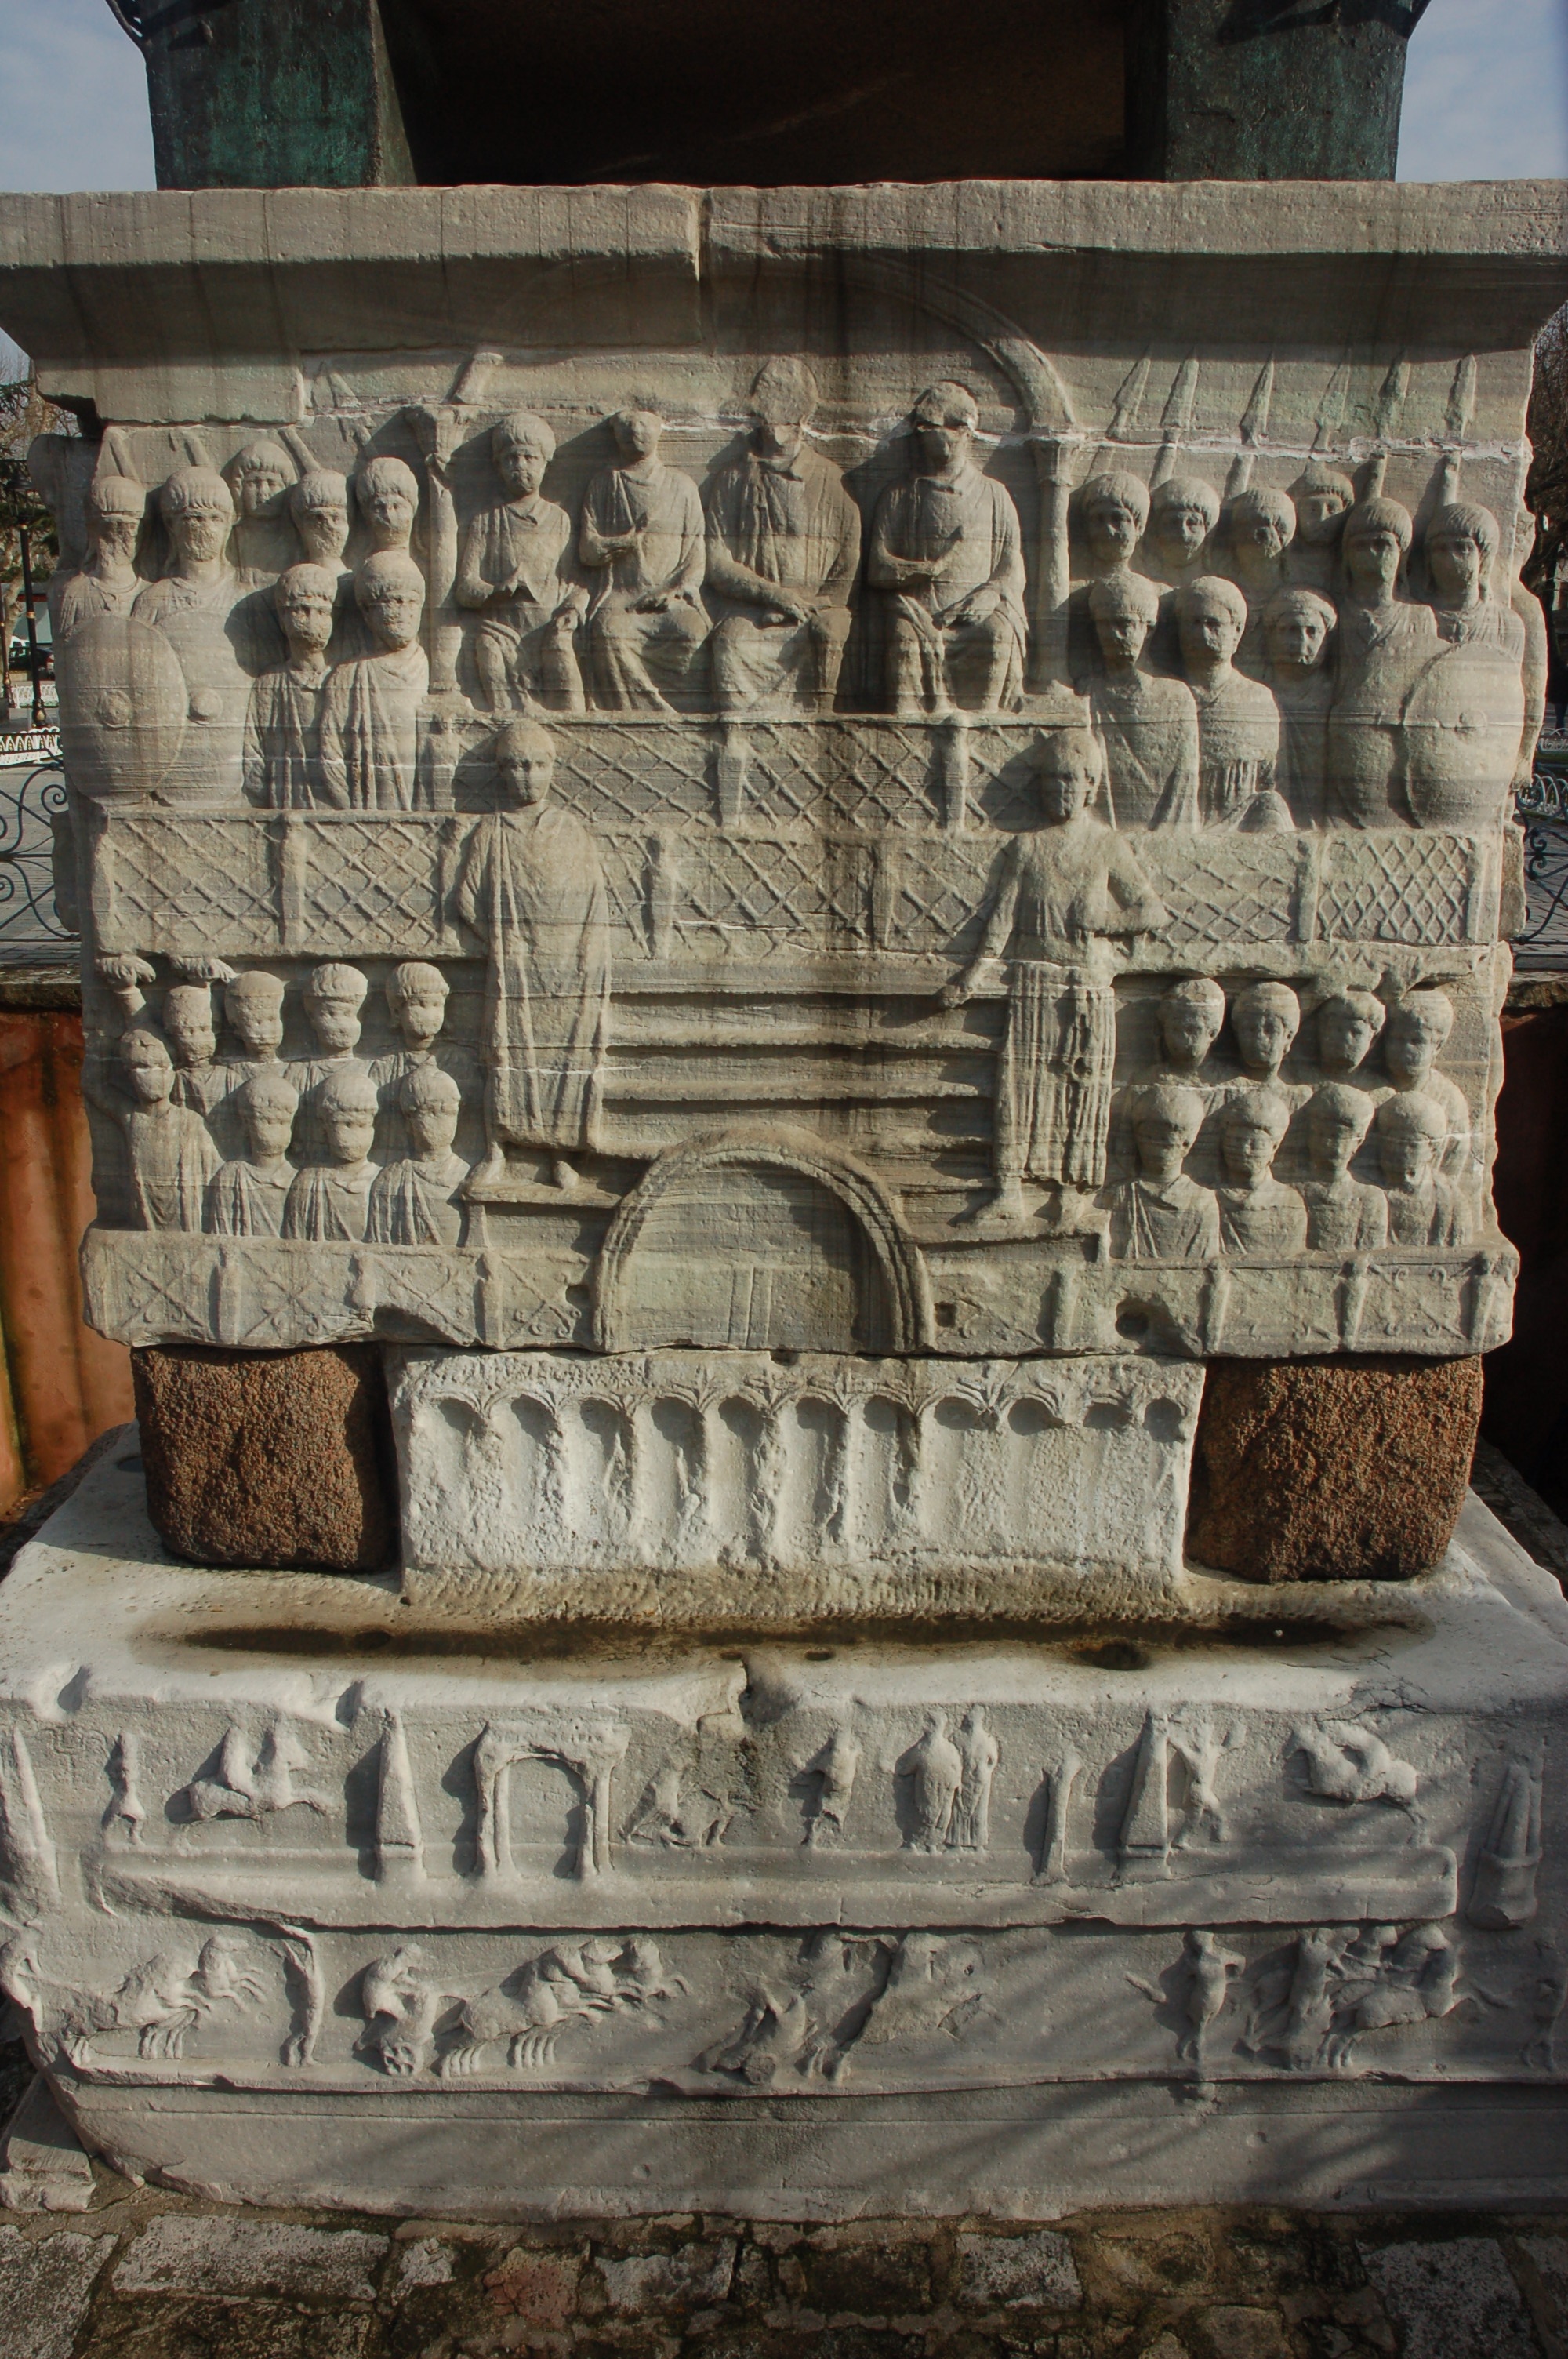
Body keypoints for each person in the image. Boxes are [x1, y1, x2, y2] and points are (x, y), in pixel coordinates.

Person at [941, 723, 1167, 1219]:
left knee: (1080, 1089)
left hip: (1086, 984)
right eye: (1051, 779)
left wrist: (1107, 920)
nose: (1059, 790)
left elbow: (1152, 910)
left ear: (1091, 784)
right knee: (1020, 1087)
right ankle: (1008, 1192)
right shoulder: (1027, 847)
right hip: (1034, 985)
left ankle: (1070, 1192)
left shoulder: (1107, 846)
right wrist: (973, 974)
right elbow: (1002, 919)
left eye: (1069, 779)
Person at [454, 721, 611, 1194]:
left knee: (564, 1059)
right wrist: (502, 942)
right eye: (516, 766)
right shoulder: (491, 830)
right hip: (515, 967)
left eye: (536, 765)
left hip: (566, 968)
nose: (527, 776)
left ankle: (560, 1155)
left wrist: (582, 956)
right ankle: (496, 1151)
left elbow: (594, 900)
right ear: (501, 771)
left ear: (551, 768)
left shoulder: (571, 830)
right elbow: (467, 899)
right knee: (503, 1054)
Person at [704, 359, 860, 715]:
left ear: (804, 420)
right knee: (729, 643)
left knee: (828, 635)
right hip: (753, 610)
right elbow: (717, 561)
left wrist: (813, 603)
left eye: (786, 421)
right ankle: (735, 737)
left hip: (815, 609)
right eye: (768, 419)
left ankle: (817, 731)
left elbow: (848, 562)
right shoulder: (733, 479)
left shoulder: (830, 480)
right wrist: (773, 596)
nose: (775, 431)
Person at [869, 381, 1026, 718]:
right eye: (922, 428)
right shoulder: (899, 495)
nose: (924, 436)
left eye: (932, 427)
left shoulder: (995, 495)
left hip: (974, 618)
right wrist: (924, 570)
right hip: (918, 615)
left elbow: (1012, 568)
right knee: (902, 638)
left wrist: (989, 596)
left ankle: (986, 730)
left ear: (963, 431)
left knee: (998, 633)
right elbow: (877, 566)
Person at [454, 412, 586, 714]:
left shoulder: (559, 520)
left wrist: (573, 610)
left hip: (548, 628)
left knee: (565, 672)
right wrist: (496, 590)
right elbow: (465, 587)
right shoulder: (486, 521)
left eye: (529, 457)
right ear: (499, 465)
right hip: (501, 629)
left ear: (545, 462)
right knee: (487, 650)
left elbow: (577, 583)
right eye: (511, 459)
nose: (520, 466)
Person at [579, 407, 707, 710]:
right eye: (626, 426)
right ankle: (637, 716)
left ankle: (686, 715)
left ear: (659, 429)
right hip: (623, 596)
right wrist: (619, 543)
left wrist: (674, 591)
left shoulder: (682, 486)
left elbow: (696, 555)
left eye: (643, 425)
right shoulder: (604, 484)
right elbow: (587, 550)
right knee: (607, 633)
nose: (634, 431)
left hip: (671, 598)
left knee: (694, 633)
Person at [1327, 496, 1439, 827]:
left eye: (1382, 544)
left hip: (1395, 746)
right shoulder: (1335, 613)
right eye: (1360, 546)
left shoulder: (1419, 616)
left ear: (1401, 553)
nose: (1372, 554)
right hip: (1340, 744)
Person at [318, 553, 430, 810]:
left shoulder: (433, 670)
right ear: (368, 611)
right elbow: (330, 753)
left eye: (411, 601)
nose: (404, 611)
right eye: (393, 601)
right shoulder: (346, 677)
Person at [1087, 573, 1200, 828]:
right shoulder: (1088, 692)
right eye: (1105, 624)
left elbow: (1183, 785)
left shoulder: (1176, 696)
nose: (1114, 634)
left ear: (1148, 628)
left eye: (1124, 624)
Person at [1176, 576, 1288, 828]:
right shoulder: (1169, 696)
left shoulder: (1258, 699)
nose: (1202, 634)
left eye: (1213, 624)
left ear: (1236, 630)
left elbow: (1269, 778)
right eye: (1193, 623)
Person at [241, 562, 337, 807]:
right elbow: (253, 753)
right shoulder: (268, 683)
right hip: (284, 805)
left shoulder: (342, 678)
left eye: (322, 612)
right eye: (301, 610)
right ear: (284, 618)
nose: (312, 621)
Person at [369, 961, 480, 1159]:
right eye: (419, 1004)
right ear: (397, 1011)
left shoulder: (459, 1062)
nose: (430, 1014)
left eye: (436, 1005)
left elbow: (472, 1123)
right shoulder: (384, 1066)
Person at [116, 1029, 220, 1233]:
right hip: (146, 1218)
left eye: (163, 1066)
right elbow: (95, 1087)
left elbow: (214, 1172)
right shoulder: (130, 1117)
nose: (156, 1076)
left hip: (188, 1216)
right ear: (129, 1072)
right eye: (144, 1068)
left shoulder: (190, 1121)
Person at [1107, 1085, 1221, 1263]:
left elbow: (1205, 1260)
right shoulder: (1121, 1193)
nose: (1155, 1148)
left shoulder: (1202, 1199)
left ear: (1185, 1145)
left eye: (1164, 1141)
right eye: (1148, 1138)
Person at [368, 1067, 469, 1247]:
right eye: (431, 1111)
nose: (442, 1121)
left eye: (449, 1112)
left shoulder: (467, 1175)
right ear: (409, 1119)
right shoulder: (390, 1180)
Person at [1261, 586, 1336, 826]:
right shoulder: (1256, 695)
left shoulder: (1336, 695)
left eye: (1312, 631)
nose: (1301, 641)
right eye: (1291, 630)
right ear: (1271, 634)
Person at [1381, 990, 1472, 1181]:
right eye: (1397, 1039)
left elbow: (1450, 1169)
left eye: (1416, 1041)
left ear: (1437, 1046)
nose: (1404, 1049)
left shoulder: (1449, 1101)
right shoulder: (1372, 1087)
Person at [282, 1067, 379, 1241]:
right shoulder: (309, 1182)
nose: (353, 1135)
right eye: (344, 1124)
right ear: (324, 1125)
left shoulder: (381, 1181)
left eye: (362, 1124)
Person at [289, 962, 370, 1165]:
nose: (341, 1025)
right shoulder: (297, 1073)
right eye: (330, 1014)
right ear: (312, 1018)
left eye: (348, 1014)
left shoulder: (373, 1069)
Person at [205, 1070, 299, 1237]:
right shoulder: (232, 1175)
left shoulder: (298, 1178)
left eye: (283, 1122)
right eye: (268, 1122)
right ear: (247, 1123)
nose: (276, 1131)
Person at [1215, 1089, 1306, 1256]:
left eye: (1256, 1144)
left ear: (1274, 1147)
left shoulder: (1288, 1201)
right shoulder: (1212, 1198)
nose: (1244, 1150)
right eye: (1235, 1141)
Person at [55, 474, 144, 638]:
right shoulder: (76, 592)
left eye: (129, 526)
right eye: (108, 527)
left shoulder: (150, 593)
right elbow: (65, 643)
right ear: (93, 531)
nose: (118, 535)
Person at [1301, 1084, 1386, 1251]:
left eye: (1344, 1139)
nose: (1336, 1148)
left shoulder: (1369, 1198)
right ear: (1312, 1136)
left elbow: (1372, 1250)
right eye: (1326, 1136)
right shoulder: (1297, 1192)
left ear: (1358, 1143)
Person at [1375, 1093, 1468, 1247]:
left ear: (1433, 1148)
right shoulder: (1368, 1190)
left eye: (1413, 1144)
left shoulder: (1450, 1199)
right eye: (1396, 1141)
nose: (1403, 1151)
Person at [1285, 460, 1355, 597]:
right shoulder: (1283, 564)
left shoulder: (1350, 567)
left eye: (1332, 509)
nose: (1322, 518)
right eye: (1312, 509)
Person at [1142, 474, 1220, 591]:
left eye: (1192, 523)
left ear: (1207, 531)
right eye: (1173, 523)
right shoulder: (1143, 585)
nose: (1183, 533)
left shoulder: (1217, 588)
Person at [1315, 987, 1384, 1082]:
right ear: (1322, 1031)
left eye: (1356, 1032)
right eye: (1338, 1030)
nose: (1345, 1039)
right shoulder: (1299, 1076)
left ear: (1372, 1039)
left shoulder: (1377, 1084)